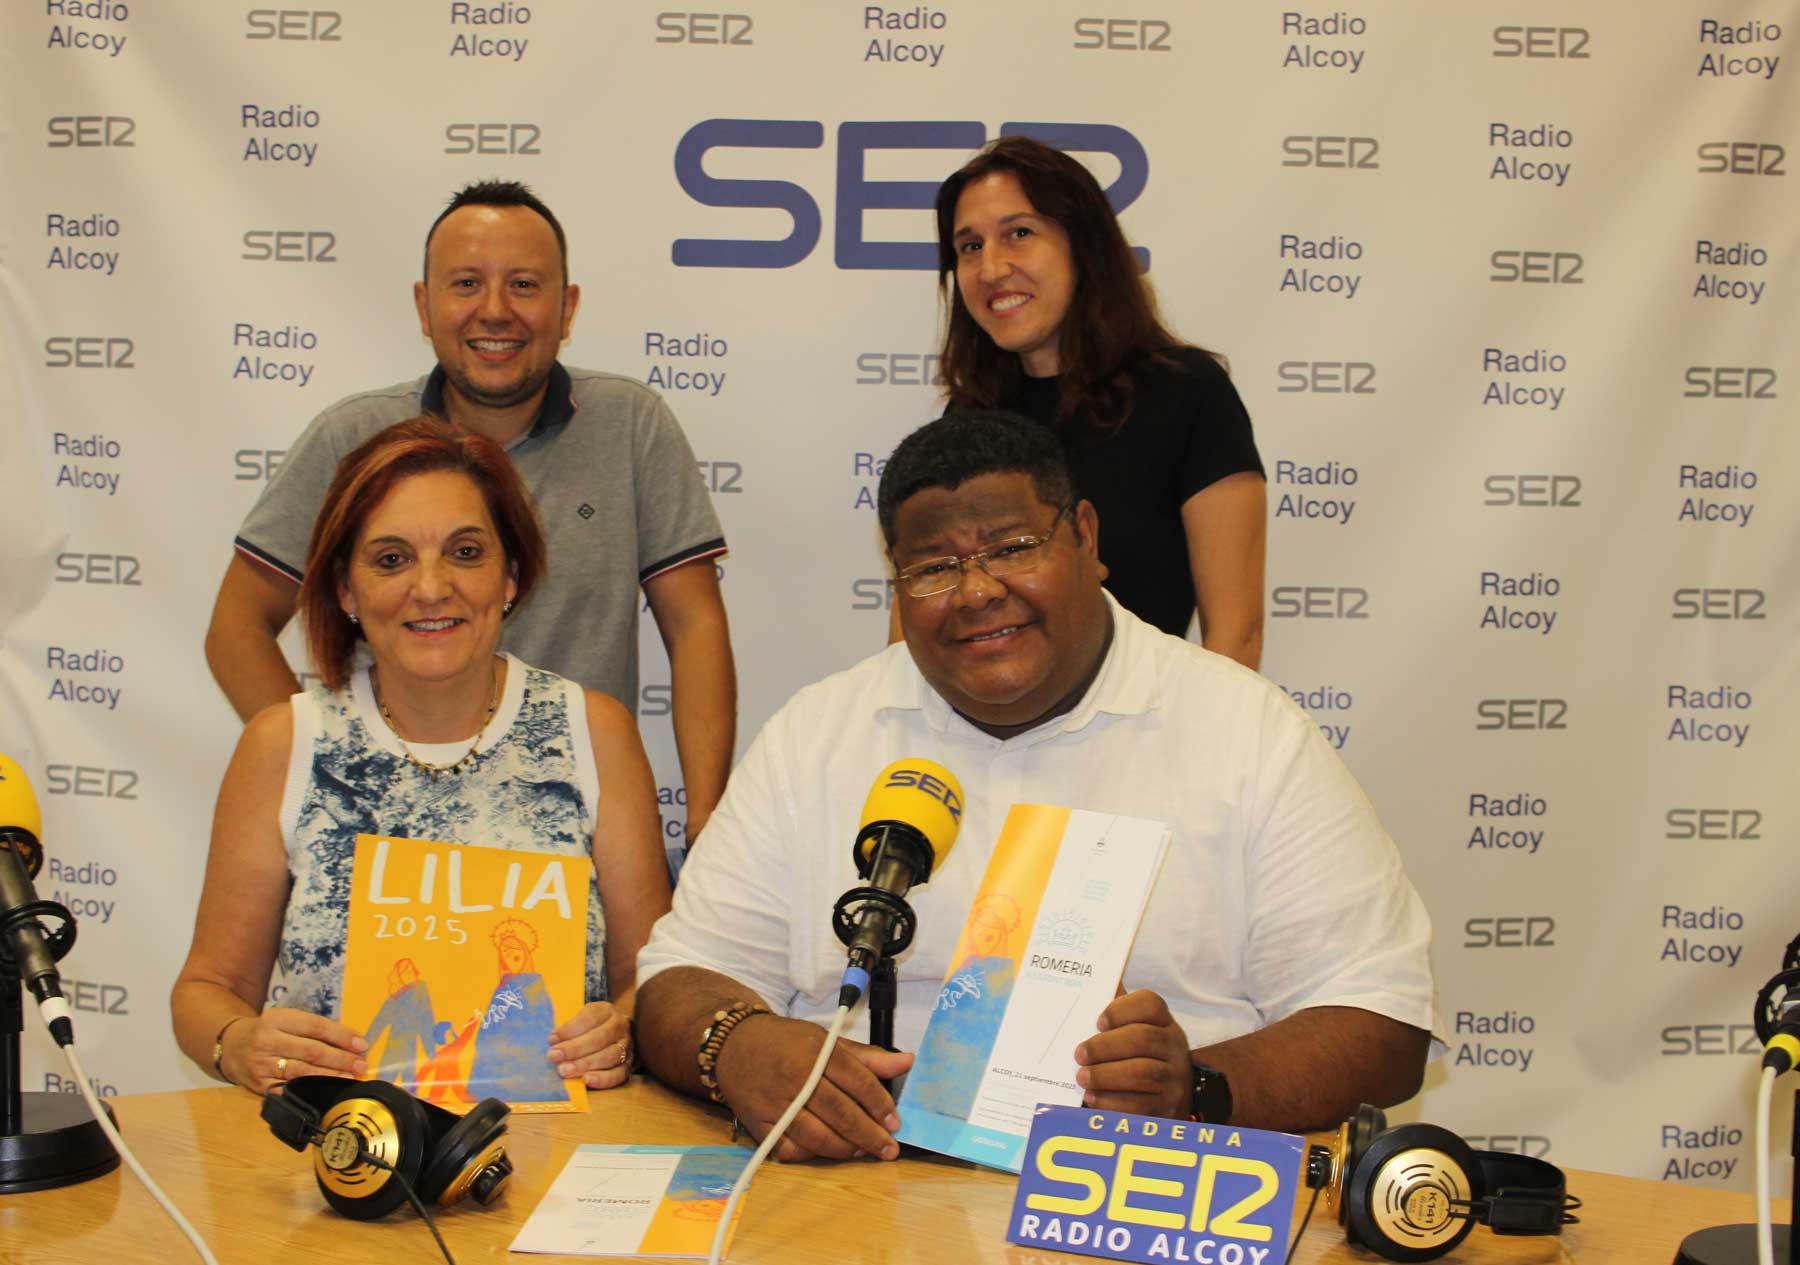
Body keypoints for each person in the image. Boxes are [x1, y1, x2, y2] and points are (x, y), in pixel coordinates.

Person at [635, 411, 1433, 1162]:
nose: (977, 590)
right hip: (858, 1192)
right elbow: (677, 978)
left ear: (1085, 536)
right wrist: (733, 1041)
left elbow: (1379, 1018)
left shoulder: (1245, 731)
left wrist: (1198, 1086)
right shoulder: (818, 735)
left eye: (1013, 546)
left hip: (1135, 1199)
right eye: (934, 567)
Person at [204, 179, 736, 841]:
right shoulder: (353, 437)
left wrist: (708, 821)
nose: (494, 311)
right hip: (392, 844)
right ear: (424, 307)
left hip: (580, 833)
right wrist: (330, 769)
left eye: (523, 284)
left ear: (566, 309)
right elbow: (235, 628)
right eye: (464, 284)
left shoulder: (631, 425)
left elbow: (695, 629)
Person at [173, 418, 672, 1096]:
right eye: (390, 559)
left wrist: (622, 1028)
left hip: (556, 1161)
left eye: (466, 552)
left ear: (511, 575)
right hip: (332, 1165)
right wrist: (237, 1041)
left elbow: (651, 980)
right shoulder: (283, 743)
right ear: (346, 591)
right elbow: (207, 990)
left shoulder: (594, 732)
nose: (431, 587)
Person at [926, 136, 1266, 667]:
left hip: (1148, 734)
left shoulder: (1190, 394)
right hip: (988, 740)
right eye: (970, 247)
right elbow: (920, 626)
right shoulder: (966, 422)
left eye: (1019, 233)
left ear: (1083, 247)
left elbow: (1236, 635)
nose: (991, 268)